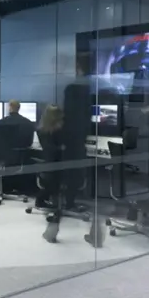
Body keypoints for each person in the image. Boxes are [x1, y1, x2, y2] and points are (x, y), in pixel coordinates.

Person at [61, 55, 92, 213]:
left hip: (70, 138)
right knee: (76, 173)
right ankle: (70, 203)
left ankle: (68, 202)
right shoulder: (83, 89)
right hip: (78, 138)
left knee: (71, 171)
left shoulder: (71, 89)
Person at [34, 105, 66, 209]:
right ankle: (66, 202)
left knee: (52, 179)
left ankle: (42, 199)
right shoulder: (60, 131)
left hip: (48, 165)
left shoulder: (41, 130)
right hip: (59, 166)